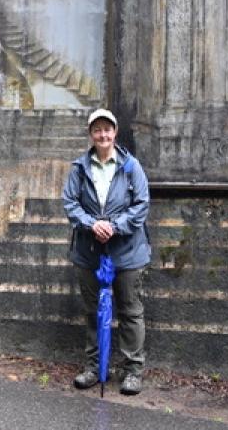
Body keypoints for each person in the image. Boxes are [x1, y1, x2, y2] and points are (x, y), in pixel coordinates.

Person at [62, 108, 151, 395]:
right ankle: (94, 367)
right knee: (93, 312)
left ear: (115, 133)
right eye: (97, 130)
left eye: (107, 129)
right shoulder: (79, 168)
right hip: (89, 252)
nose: (103, 135)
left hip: (127, 251)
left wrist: (114, 226)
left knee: (130, 312)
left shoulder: (130, 166)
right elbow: (70, 204)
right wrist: (92, 224)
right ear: (91, 134)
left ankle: (133, 371)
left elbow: (141, 204)